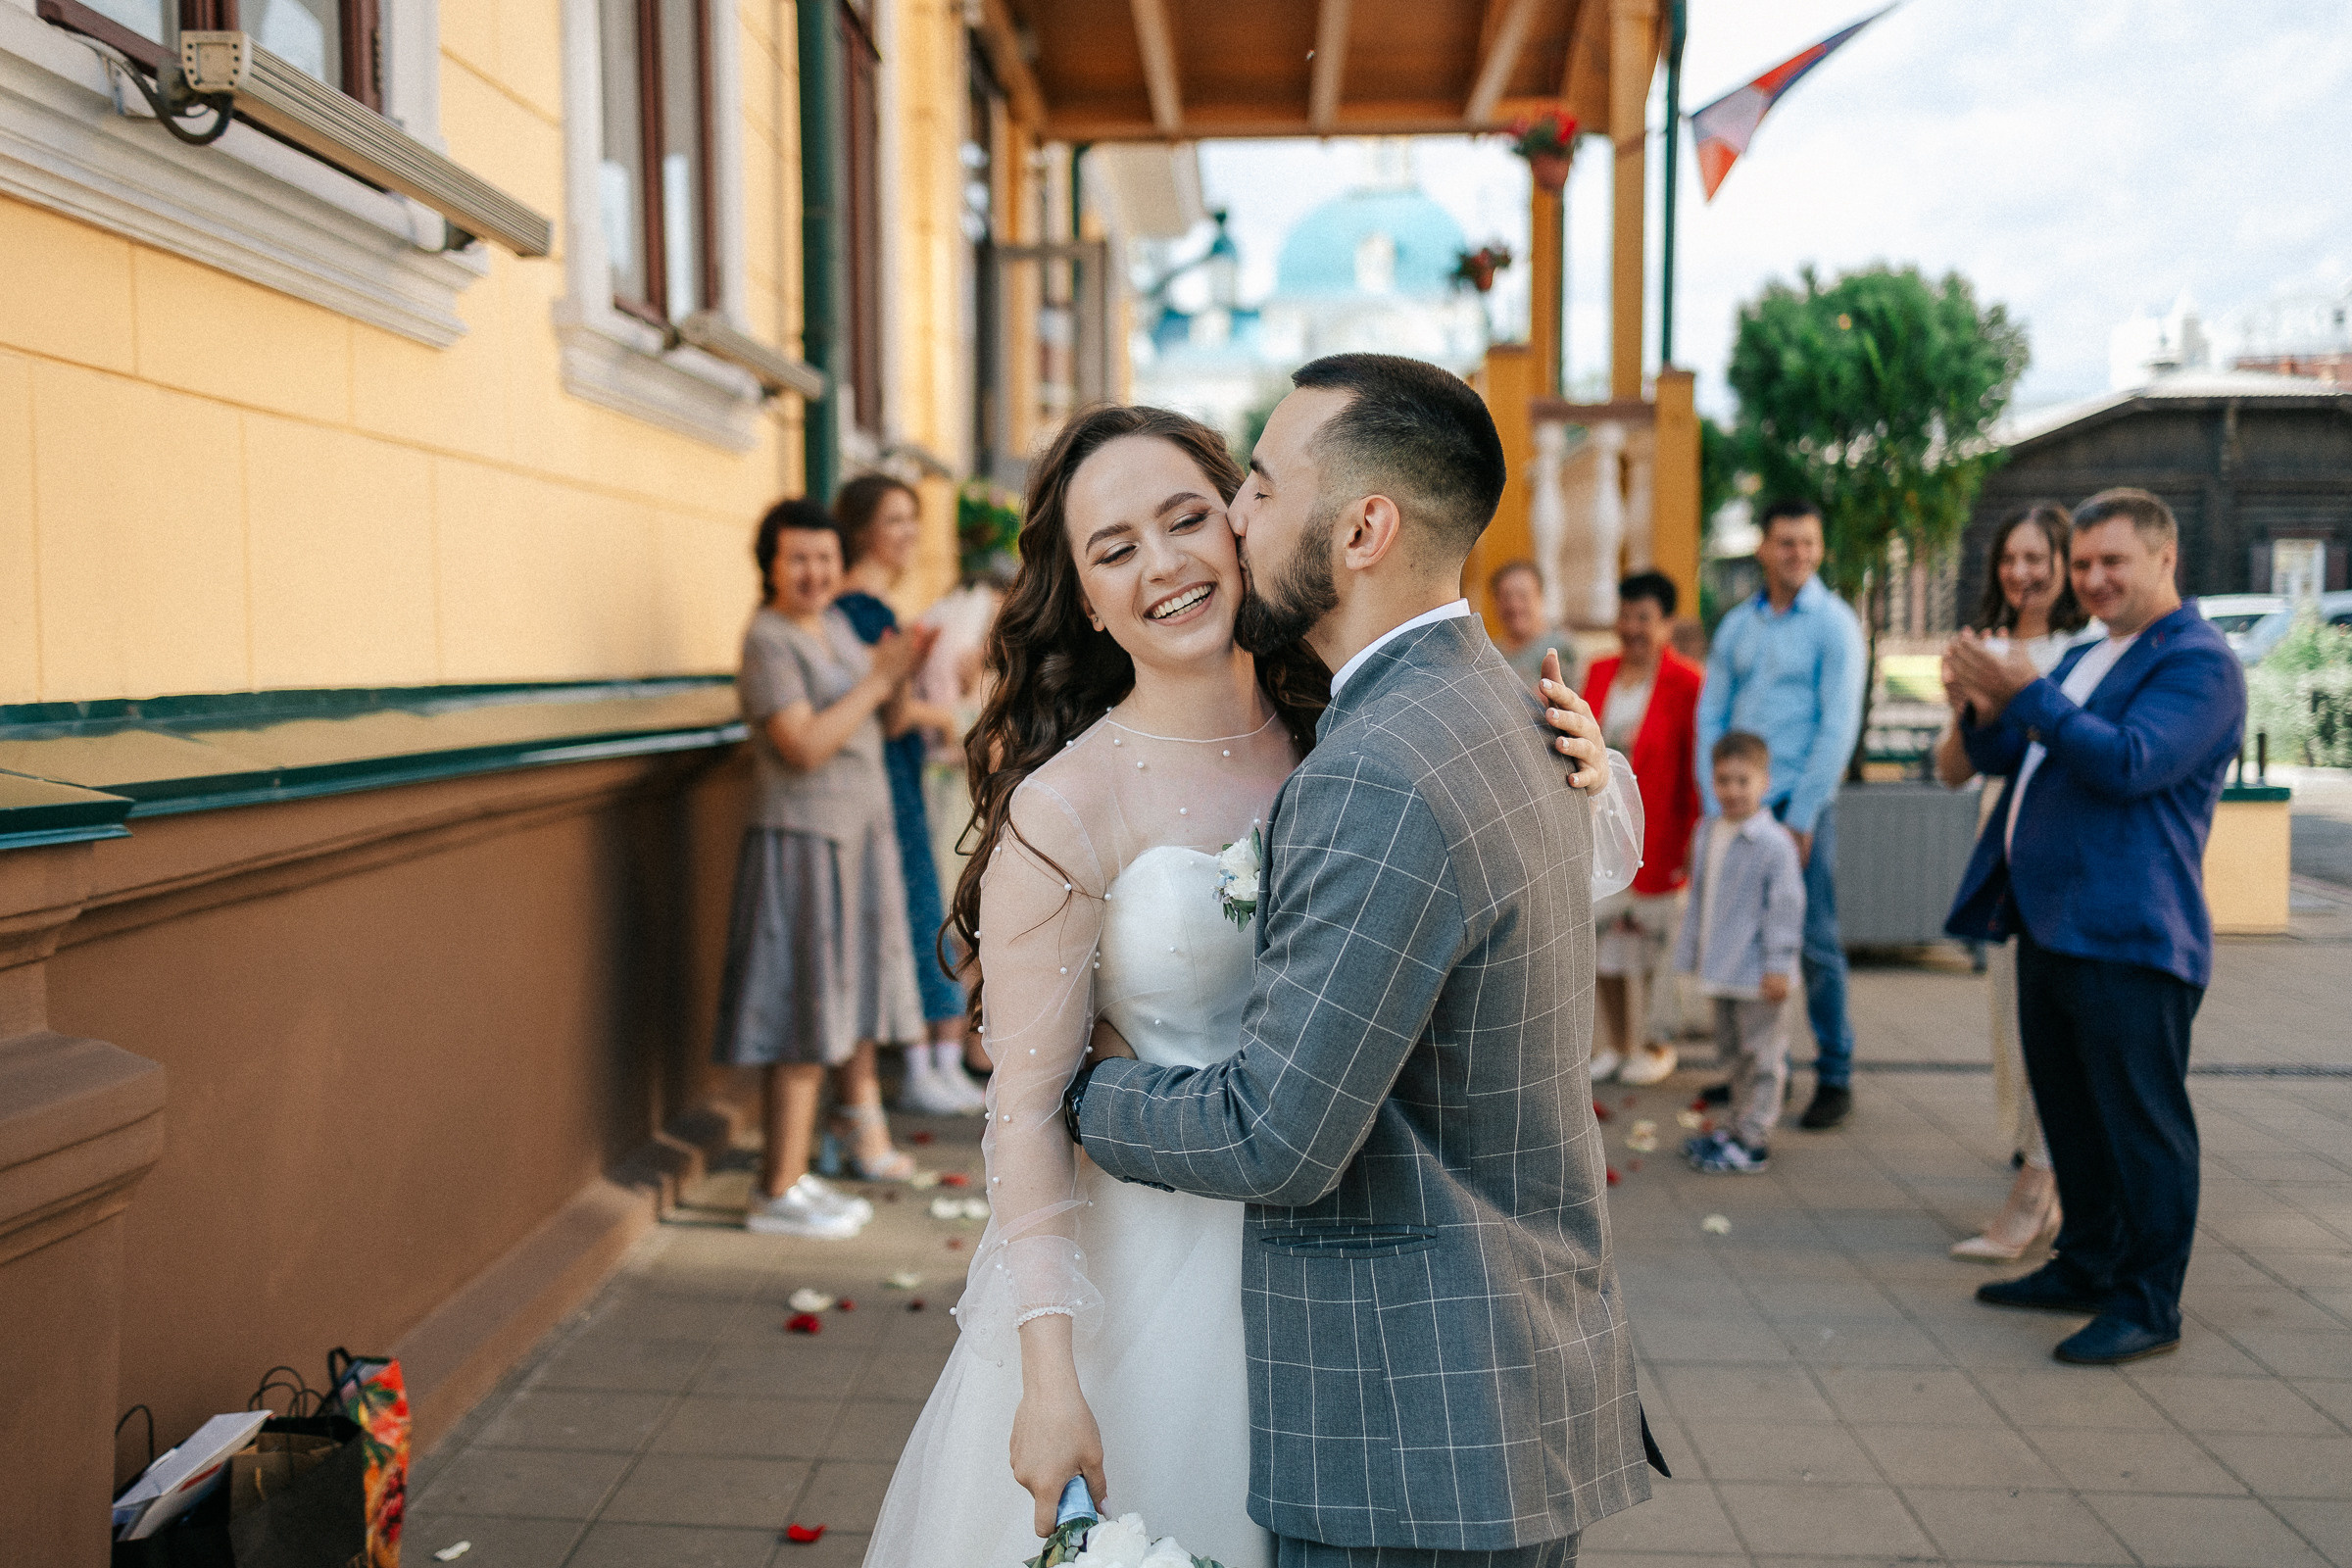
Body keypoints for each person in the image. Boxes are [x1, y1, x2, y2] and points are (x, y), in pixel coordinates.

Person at [861, 393, 1637, 1568]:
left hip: (1344, 1296)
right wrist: (1050, 1375)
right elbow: (1020, 1113)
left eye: (1190, 518)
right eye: (1114, 549)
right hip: (1150, 1294)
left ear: (1242, 525)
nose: (1164, 564)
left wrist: (1575, 767)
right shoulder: (1067, 807)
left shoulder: (1346, 734)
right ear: (1082, 595)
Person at [1942, 487, 2244, 1366]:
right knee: (2069, 1116)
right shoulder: (2089, 649)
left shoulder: (2200, 662)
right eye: (2084, 564)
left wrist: (2027, 692)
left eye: (2113, 562)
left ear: (2165, 558)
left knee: (2139, 1124)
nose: (2094, 579)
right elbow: (2009, 751)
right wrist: (1979, 699)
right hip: (2052, 925)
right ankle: (2085, 1263)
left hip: (2133, 932)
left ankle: (2149, 1301)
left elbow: (2129, 762)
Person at [713, 499, 932, 1239]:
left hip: (856, 842)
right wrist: (875, 682)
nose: (814, 573)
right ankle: (776, 1187)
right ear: (769, 565)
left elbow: (891, 724)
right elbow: (802, 745)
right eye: (798, 559)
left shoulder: (835, 623)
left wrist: (901, 671)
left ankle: (799, 1172)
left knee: (835, 1007)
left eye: (825, 559)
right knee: (800, 1011)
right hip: (803, 843)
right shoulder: (769, 638)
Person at [1933, 502, 2092, 1260]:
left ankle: (2038, 1185)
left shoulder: (2087, 646)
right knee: (2012, 1018)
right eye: (2011, 559)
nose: (2022, 573)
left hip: (2067, 849)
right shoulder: (1986, 645)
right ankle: (2048, 1172)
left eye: (2039, 558)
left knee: (2051, 1021)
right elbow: (1952, 768)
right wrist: (1968, 708)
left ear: (2066, 563)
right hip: (2003, 845)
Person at [1695, 500, 1866, 1130]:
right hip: (1736, 806)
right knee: (1737, 936)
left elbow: (1838, 724)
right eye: (1786, 542)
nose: (1799, 553)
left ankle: (1836, 1074)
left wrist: (1802, 816)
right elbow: (1711, 715)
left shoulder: (1834, 624)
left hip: (1799, 806)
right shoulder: (1739, 625)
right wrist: (1718, 805)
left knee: (1813, 941)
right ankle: (1757, 1069)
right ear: (1764, 548)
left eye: (1809, 543)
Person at [831, 473, 987, 1115]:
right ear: (861, 529)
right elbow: (894, 714)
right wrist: (962, 717)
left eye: (913, 520)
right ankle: (923, 1066)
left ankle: (935, 1064)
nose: (909, 534)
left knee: (924, 912)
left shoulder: (878, 611)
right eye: (895, 520)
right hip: (885, 777)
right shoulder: (863, 612)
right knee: (915, 913)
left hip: (896, 773)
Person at [1584, 569, 1705, 1086]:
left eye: (1644, 618)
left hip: (1662, 828)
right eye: (1625, 615)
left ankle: (1656, 1044)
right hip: (1603, 826)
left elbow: (1693, 766)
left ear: (1667, 624)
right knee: (1605, 938)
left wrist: (1692, 838)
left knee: (1656, 943)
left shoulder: (1687, 684)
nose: (1631, 627)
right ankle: (1617, 1042)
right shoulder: (1599, 672)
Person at [1672, 732, 1805, 1174]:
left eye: (1742, 780)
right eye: (1723, 780)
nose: (1731, 790)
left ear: (1765, 782)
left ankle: (1754, 1139)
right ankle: (1737, 1123)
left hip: (1757, 975)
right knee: (1731, 1053)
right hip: (1722, 969)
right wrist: (1690, 954)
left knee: (1762, 1056)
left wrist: (1778, 965)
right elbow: (1700, 900)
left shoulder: (1773, 843)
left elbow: (1785, 908)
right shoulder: (1708, 832)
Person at [1492, 557, 1578, 692]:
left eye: (1523, 596)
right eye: (1506, 597)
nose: (1514, 605)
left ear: (1540, 597)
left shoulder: (1560, 648)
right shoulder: (1490, 652)